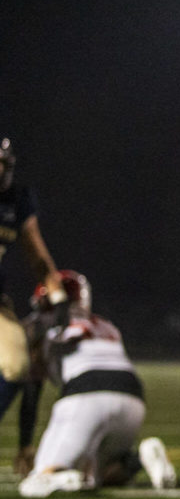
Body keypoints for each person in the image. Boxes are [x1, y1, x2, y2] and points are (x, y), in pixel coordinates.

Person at [17, 269, 176, 497]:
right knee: (101, 475)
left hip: (87, 391)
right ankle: (138, 459)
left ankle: (60, 473)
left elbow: (32, 389)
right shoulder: (105, 324)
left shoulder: (41, 327)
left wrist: (25, 444)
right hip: (132, 396)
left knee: (37, 483)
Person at [0, 136, 68, 474]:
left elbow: (38, 258)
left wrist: (58, 297)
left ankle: (25, 446)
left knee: (18, 363)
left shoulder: (17, 200)